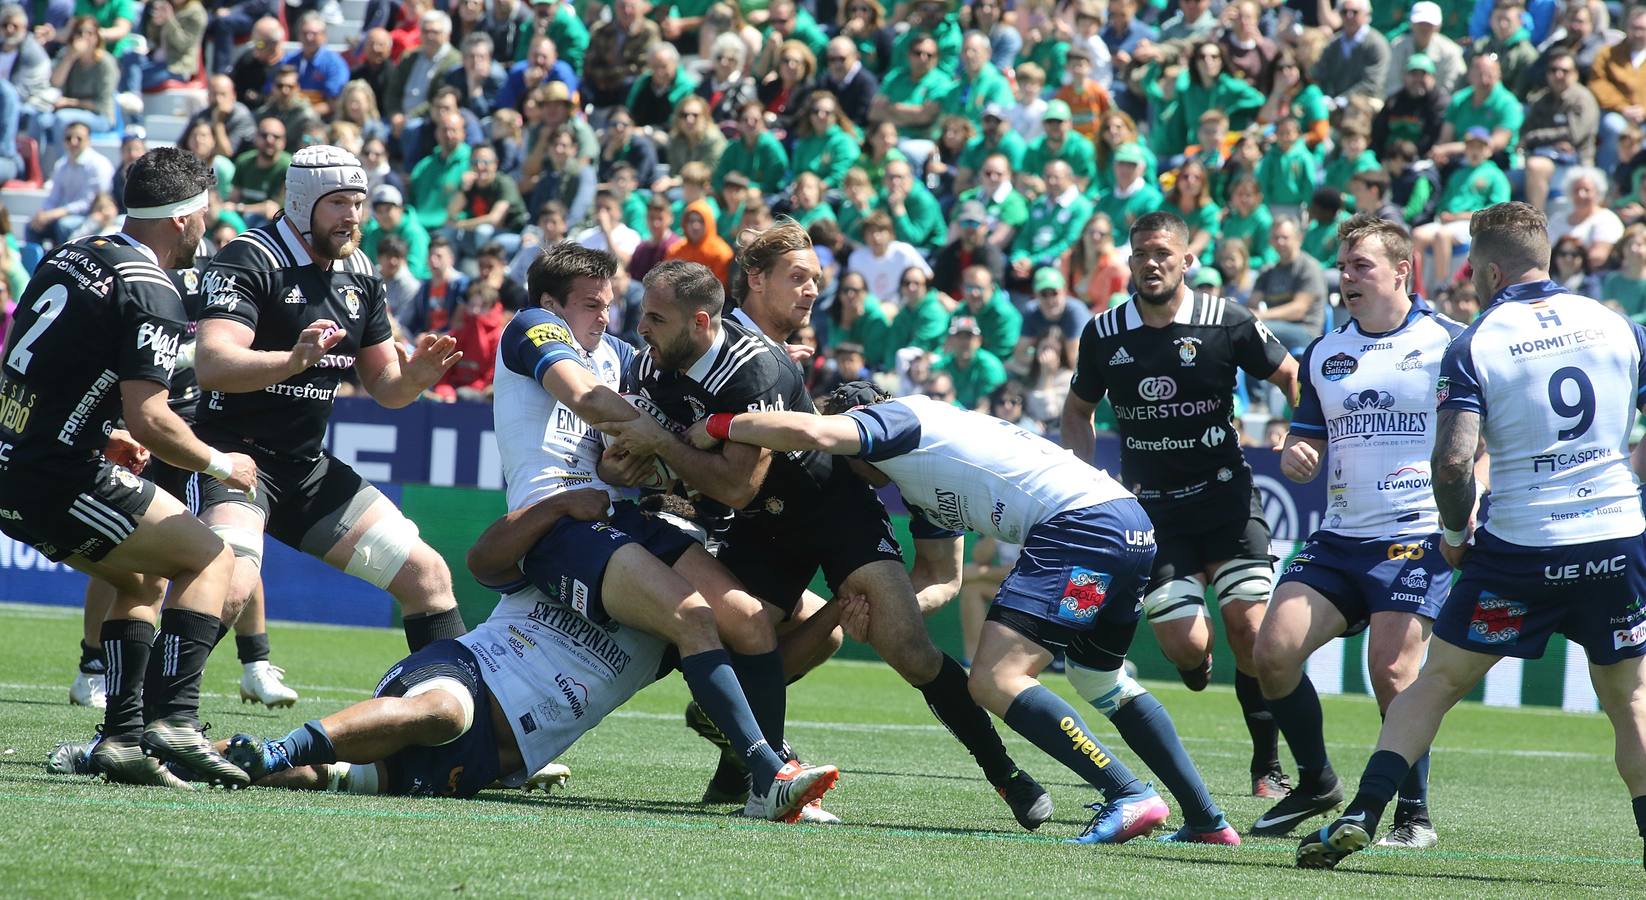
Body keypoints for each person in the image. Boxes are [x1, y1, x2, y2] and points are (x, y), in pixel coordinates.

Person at [681, 381, 1241, 846]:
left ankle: (1127, 792)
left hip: (1082, 529)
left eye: (844, 457)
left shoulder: (896, 423)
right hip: (1124, 528)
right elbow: (937, 581)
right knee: (1099, 678)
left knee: (995, 679)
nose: (846, 470)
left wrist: (716, 426)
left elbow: (811, 429)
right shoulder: (920, 474)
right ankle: (1206, 818)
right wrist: (875, 612)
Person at [612, 243, 1052, 830]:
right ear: (754, 281)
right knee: (740, 628)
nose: (812, 290)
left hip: (832, 508)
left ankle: (1006, 775)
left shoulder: (758, 363)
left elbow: (742, 466)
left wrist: (669, 447)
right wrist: (632, 460)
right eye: (798, 278)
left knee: (909, 650)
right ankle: (758, 768)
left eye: (816, 279)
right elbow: (639, 457)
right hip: (761, 522)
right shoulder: (674, 352)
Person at [1298, 203, 1646, 871]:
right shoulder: (1615, 324)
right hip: (1613, 539)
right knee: (1630, 700)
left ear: (1489, 269)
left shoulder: (1477, 342)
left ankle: (1363, 813)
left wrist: (1455, 533)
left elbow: (1454, 460)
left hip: (1519, 549)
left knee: (1437, 682)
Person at [477, 245, 838, 822]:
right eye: (592, 305)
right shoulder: (532, 327)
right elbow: (586, 399)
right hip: (563, 524)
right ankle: (766, 768)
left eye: (612, 305)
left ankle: (765, 775)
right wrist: (656, 445)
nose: (609, 318)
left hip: (627, 520)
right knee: (693, 617)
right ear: (550, 303)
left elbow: (676, 376)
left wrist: (768, 368)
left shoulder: (620, 356)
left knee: (748, 617)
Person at [3, 147, 257, 787]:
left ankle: (120, 739)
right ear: (181, 220)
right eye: (205, 214)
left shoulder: (73, 252)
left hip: (17, 459)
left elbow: (49, 366)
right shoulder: (152, 288)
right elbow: (153, 417)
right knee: (211, 558)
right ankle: (173, 720)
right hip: (53, 475)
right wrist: (220, 462)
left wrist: (100, 429)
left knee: (142, 579)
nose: (209, 226)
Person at [194, 146, 469, 659]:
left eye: (358, 203)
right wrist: (291, 361)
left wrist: (416, 378)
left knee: (427, 575)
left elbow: (386, 388)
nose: (353, 217)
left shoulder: (361, 271)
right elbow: (212, 363)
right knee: (230, 582)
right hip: (231, 457)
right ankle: (151, 721)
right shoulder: (250, 256)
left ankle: (448, 722)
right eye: (338, 202)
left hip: (303, 466)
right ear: (302, 205)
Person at [1061, 211, 1301, 798]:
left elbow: (1293, 376)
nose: (1151, 263)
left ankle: (1266, 764)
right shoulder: (1104, 333)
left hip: (1227, 499)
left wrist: (1300, 435)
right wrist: (1086, 481)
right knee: (1186, 648)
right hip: (1154, 513)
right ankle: (1197, 666)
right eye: (1141, 253)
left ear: (1187, 260)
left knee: (1250, 629)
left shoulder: (1228, 320)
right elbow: (1077, 411)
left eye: (1163, 253)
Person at [221, 489, 672, 799]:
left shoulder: (682, 627)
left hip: (478, 764)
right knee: (445, 713)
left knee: (312, 777)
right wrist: (557, 507)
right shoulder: (585, 555)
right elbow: (482, 559)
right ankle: (285, 746)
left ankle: (186, 757)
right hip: (464, 673)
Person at [1252, 214, 1464, 849]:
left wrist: (1466, 506)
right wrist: (1293, 452)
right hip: (1341, 537)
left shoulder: (1452, 343)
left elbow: (1481, 439)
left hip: (1417, 537)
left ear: (1402, 270)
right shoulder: (1324, 352)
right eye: (1342, 267)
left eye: (1360, 266)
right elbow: (1306, 436)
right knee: (1272, 652)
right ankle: (1316, 780)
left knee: (1393, 671)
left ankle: (1413, 815)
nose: (1346, 277)